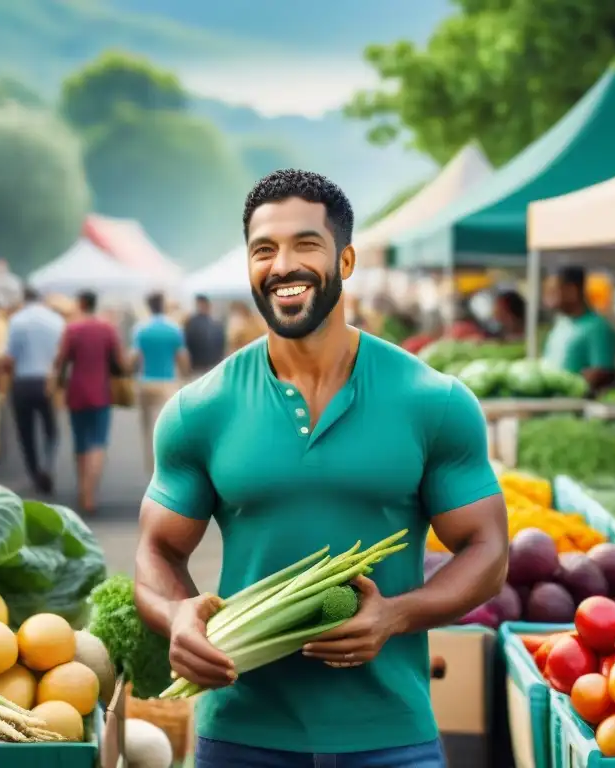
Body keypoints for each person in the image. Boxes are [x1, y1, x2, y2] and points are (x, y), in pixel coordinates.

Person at [134, 169, 509, 767]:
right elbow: (156, 553)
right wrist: (177, 613)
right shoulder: (200, 409)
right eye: (264, 250)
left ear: (347, 259)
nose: (283, 265)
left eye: (305, 244)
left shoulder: (432, 400)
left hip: (392, 736)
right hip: (240, 734)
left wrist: (397, 614)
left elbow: (488, 549)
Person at [53, 290, 126, 514]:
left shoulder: (72, 329)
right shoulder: (107, 329)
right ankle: (89, 494)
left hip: (76, 391)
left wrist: (57, 384)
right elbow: (120, 362)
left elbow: (60, 361)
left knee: (80, 442)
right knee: (98, 442)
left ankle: (82, 490)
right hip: (101, 392)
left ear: (81, 303)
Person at [4, 286, 66, 494]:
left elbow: (10, 357)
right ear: (42, 299)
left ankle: (34, 472)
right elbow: (61, 355)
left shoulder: (17, 320)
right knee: (51, 429)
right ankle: (48, 464)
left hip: (22, 381)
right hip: (48, 381)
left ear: (24, 298)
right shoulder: (56, 320)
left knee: (25, 431)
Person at [132, 292, 188, 475]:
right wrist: (185, 377)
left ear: (148, 306)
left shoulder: (141, 328)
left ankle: (152, 471)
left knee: (147, 430)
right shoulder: (174, 328)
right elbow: (182, 357)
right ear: (163, 305)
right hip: (167, 383)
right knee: (167, 429)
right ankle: (166, 469)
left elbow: (134, 357)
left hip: (145, 381)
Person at [542, 266, 615, 390]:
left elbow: (602, 371)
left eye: (553, 291)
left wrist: (568, 386)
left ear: (572, 291)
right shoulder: (561, 323)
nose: (548, 298)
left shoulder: (597, 327)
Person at [183, 295, 226, 379]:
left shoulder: (191, 323)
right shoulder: (216, 323)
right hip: (213, 368)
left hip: (198, 368)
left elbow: (187, 346)